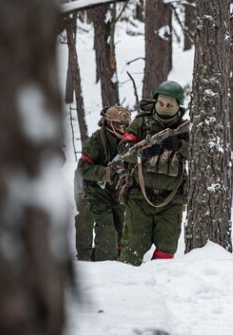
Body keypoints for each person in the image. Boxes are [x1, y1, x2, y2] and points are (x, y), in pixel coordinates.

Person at [117, 80, 189, 266]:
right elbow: (123, 148)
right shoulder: (141, 123)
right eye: (161, 103)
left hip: (171, 201)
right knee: (133, 248)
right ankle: (126, 284)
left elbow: (201, 155)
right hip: (139, 197)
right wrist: (142, 152)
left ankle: (156, 290)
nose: (164, 108)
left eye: (169, 105)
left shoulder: (186, 128)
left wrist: (181, 146)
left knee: (166, 250)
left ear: (177, 106)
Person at [76, 105, 132, 261]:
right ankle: (103, 265)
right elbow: (82, 168)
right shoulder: (96, 141)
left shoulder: (129, 140)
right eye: (118, 125)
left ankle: (120, 262)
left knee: (122, 226)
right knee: (106, 231)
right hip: (93, 189)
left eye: (124, 125)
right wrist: (107, 171)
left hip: (116, 190)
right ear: (108, 124)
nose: (122, 129)